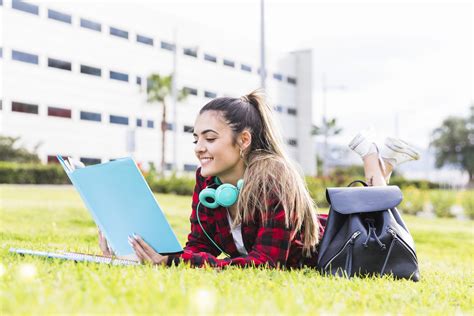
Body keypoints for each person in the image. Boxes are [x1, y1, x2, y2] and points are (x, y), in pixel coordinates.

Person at [98, 90, 420, 268]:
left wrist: (178, 263)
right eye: (195, 138)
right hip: (325, 237)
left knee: (379, 225)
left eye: (209, 138)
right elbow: (197, 246)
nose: (199, 148)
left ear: (244, 140)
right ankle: (384, 161)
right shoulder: (207, 181)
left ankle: (373, 161)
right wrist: (143, 252)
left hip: (340, 243)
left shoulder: (274, 179)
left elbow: (265, 263)